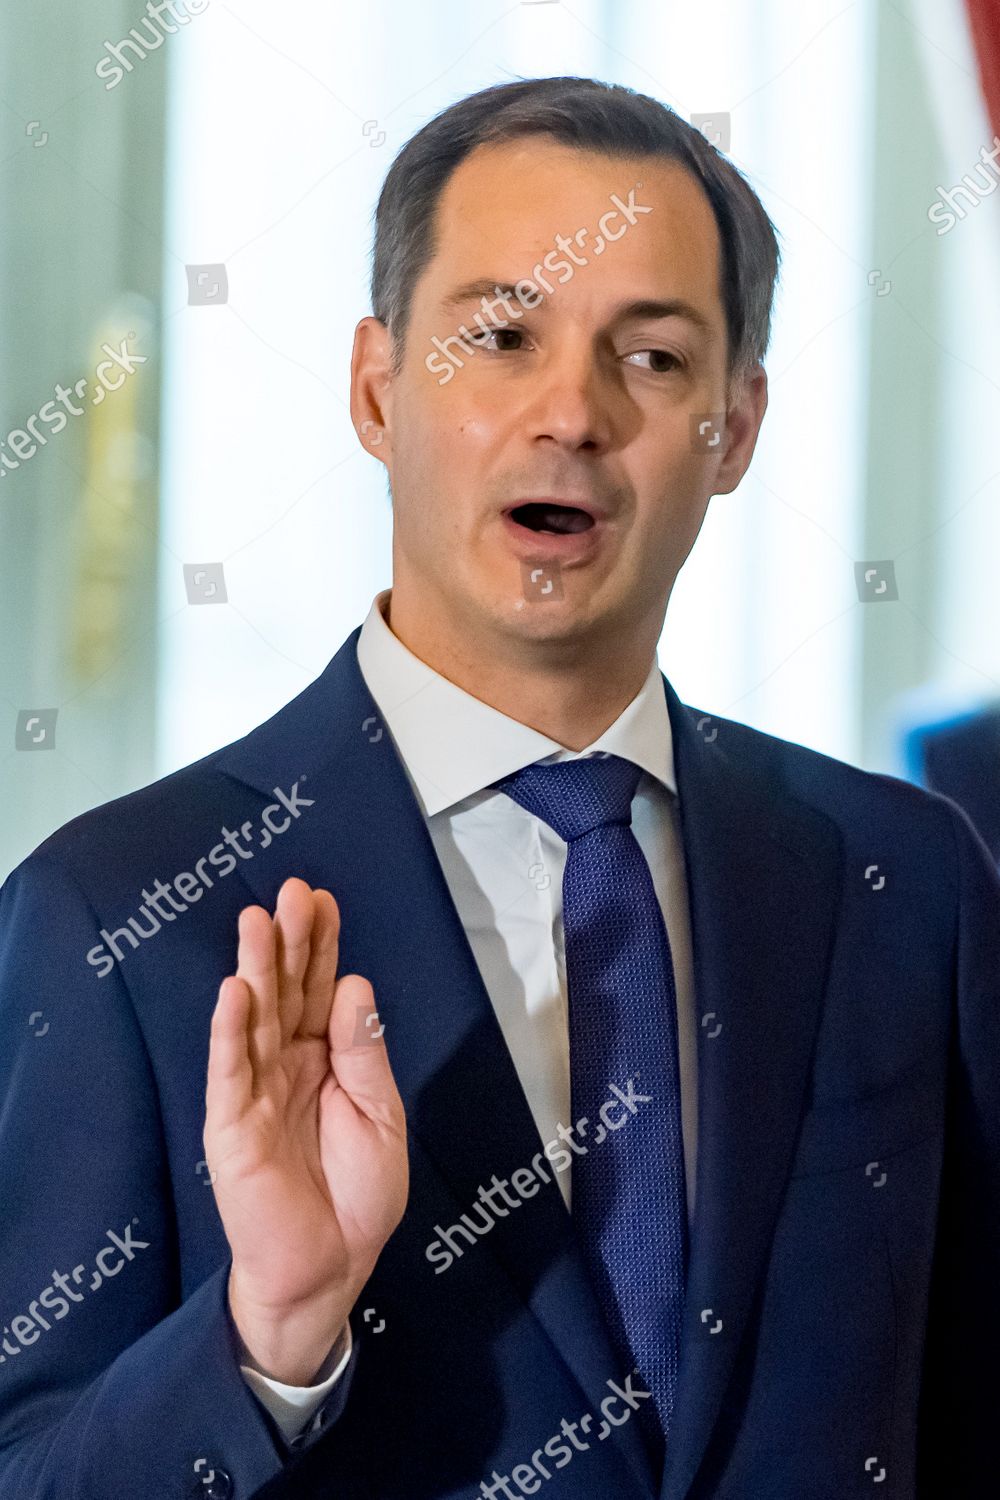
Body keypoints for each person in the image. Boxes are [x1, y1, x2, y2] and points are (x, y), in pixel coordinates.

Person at [1, 75, 997, 1500]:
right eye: (500, 335)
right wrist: (267, 1337)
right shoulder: (119, 915)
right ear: (375, 385)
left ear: (737, 427)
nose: (571, 413)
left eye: (651, 358)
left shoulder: (905, 881)